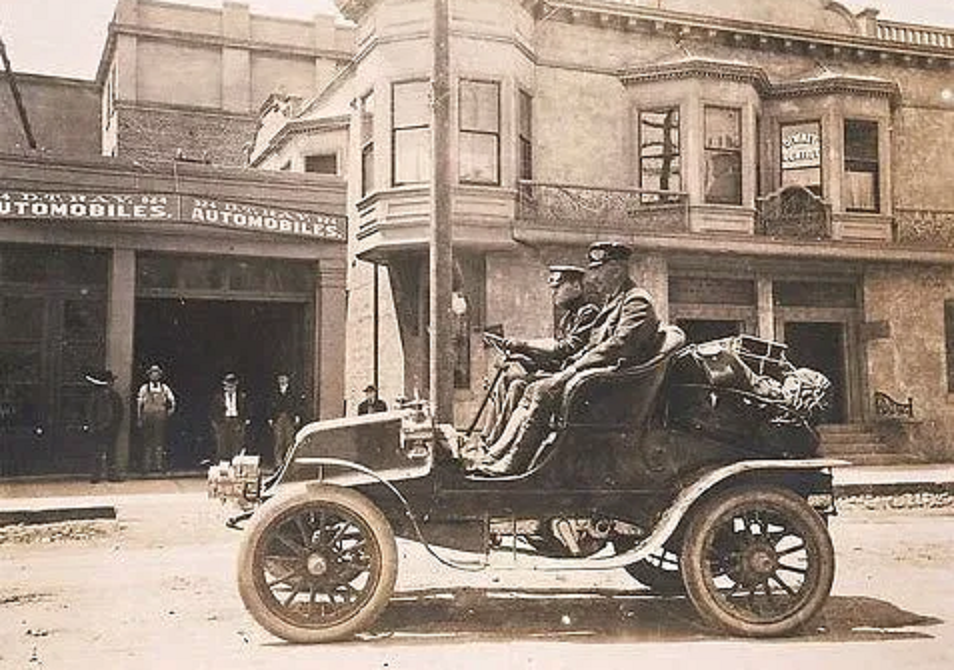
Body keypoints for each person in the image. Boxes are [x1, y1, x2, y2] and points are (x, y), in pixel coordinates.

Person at [473, 241, 662, 476]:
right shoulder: (616, 302)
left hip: (615, 387)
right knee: (534, 388)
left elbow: (616, 347)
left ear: (617, 270)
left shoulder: (636, 301)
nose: (593, 278)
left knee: (541, 390)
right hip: (602, 378)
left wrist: (572, 369)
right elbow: (594, 346)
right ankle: (498, 455)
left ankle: (513, 462)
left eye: (598, 270)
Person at [479, 265, 598, 445]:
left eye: (558, 287)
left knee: (518, 385)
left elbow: (566, 349)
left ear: (576, 286)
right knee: (507, 380)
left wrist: (524, 345)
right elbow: (556, 359)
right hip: (561, 373)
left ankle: (499, 443)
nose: (553, 293)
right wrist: (525, 357)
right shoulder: (568, 319)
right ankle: (487, 440)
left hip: (575, 378)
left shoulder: (588, 312)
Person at [83, 369, 124, 483]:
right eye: (110, 382)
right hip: (98, 428)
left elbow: (119, 411)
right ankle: (96, 475)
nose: (111, 384)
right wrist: (93, 426)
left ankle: (112, 475)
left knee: (111, 452)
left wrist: (116, 425)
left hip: (111, 428)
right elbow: (90, 412)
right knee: (97, 452)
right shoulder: (95, 396)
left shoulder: (115, 396)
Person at [136, 364, 176, 473]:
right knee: (147, 441)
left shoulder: (164, 388)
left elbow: (172, 400)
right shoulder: (144, 388)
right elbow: (139, 404)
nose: (154, 375)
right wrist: (139, 418)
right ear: (149, 375)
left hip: (160, 417)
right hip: (147, 416)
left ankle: (158, 466)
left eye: (157, 373)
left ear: (159, 375)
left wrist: (170, 410)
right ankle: (146, 466)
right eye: (152, 373)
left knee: (159, 441)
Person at [210, 372, 250, 463]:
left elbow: (246, 409)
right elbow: (214, 411)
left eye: (232, 386)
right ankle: (223, 464)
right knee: (222, 444)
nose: (230, 388)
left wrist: (244, 421)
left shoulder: (242, 396)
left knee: (237, 443)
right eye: (228, 386)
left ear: (236, 386)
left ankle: (236, 463)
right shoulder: (219, 397)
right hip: (223, 421)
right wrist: (216, 423)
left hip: (236, 421)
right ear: (225, 386)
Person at [267, 372, 305, 468]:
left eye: (284, 378)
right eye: (280, 378)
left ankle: (289, 462)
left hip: (289, 417)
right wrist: (270, 418)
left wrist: (297, 415)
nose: (282, 380)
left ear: (287, 379)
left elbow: (298, 404)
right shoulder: (274, 391)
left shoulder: (294, 390)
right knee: (278, 440)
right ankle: (278, 463)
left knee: (289, 440)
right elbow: (270, 405)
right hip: (278, 417)